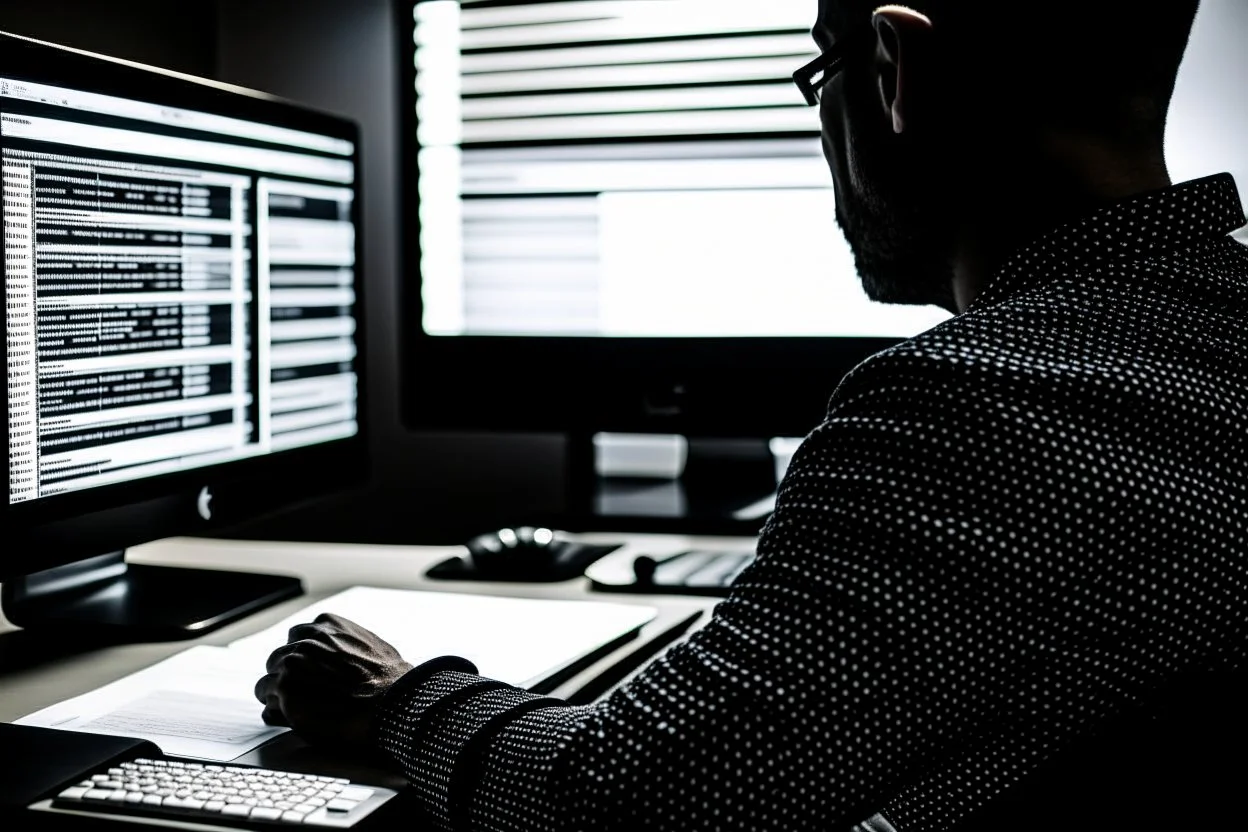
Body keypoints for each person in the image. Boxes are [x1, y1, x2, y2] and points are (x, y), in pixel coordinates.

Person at [254, 1, 1247, 829]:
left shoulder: (985, 397)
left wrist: (396, 699)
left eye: (822, 76)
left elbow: (630, 806)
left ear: (894, 68)